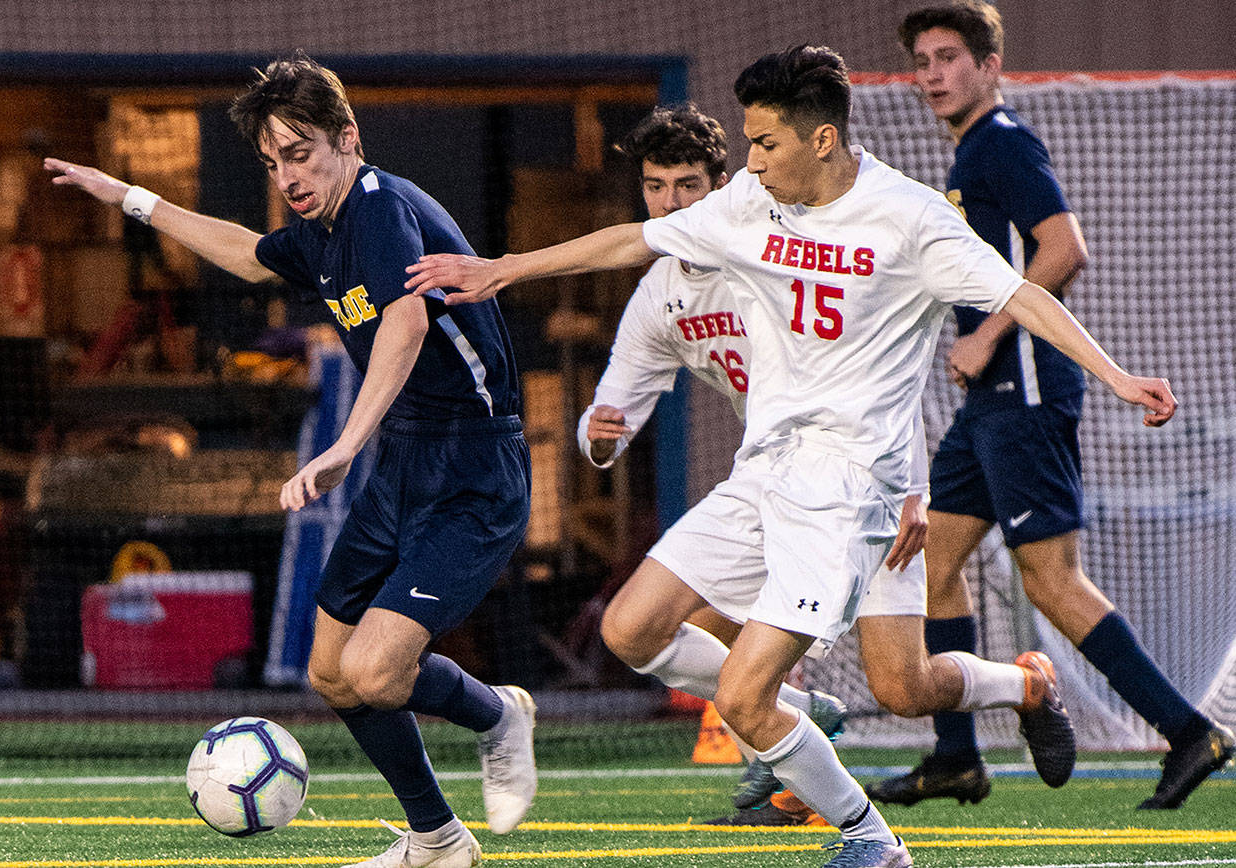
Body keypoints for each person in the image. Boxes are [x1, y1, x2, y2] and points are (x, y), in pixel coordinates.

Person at [407, 43, 1178, 867]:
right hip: (767, 471)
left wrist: (1118, 375)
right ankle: (1023, 683)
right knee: (652, 634)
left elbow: (1022, 293)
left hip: (853, 488)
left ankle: (870, 839)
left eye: (765, 144)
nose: (751, 162)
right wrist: (506, 268)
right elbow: (633, 239)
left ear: (820, 141)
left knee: (760, 694)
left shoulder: (912, 219)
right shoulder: (746, 203)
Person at [47, 53, 535, 868]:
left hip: (473, 469)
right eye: (272, 163)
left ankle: (497, 716)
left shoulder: (378, 209)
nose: (287, 176)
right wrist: (130, 197)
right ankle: (439, 842)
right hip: (406, 460)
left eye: (300, 153)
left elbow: (407, 328)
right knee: (333, 674)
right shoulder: (322, 230)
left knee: (378, 672)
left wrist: (345, 446)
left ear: (349, 138)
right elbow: (246, 252)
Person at [866, 0, 1235, 811]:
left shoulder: (1004, 142)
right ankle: (956, 758)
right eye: (922, 60)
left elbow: (1065, 246)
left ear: (990, 66)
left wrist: (988, 336)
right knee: (930, 562)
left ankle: (1188, 733)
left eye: (949, 57)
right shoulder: (970, 155)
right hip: (990, 406)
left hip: (1027, 391)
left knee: (1052, 583)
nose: (932, 73)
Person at [581, 104, 853, 828]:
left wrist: (910, 480)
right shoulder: (659, 294)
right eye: (655, 187)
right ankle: (804, 718)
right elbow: (613, 412)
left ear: (725, 185)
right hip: (766, 474)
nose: (671, 204)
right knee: (631, 630)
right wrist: (601, 437)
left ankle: (1015, 693)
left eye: (687, 186)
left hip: (852, 469)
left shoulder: (780, 248)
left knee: (905, 677)